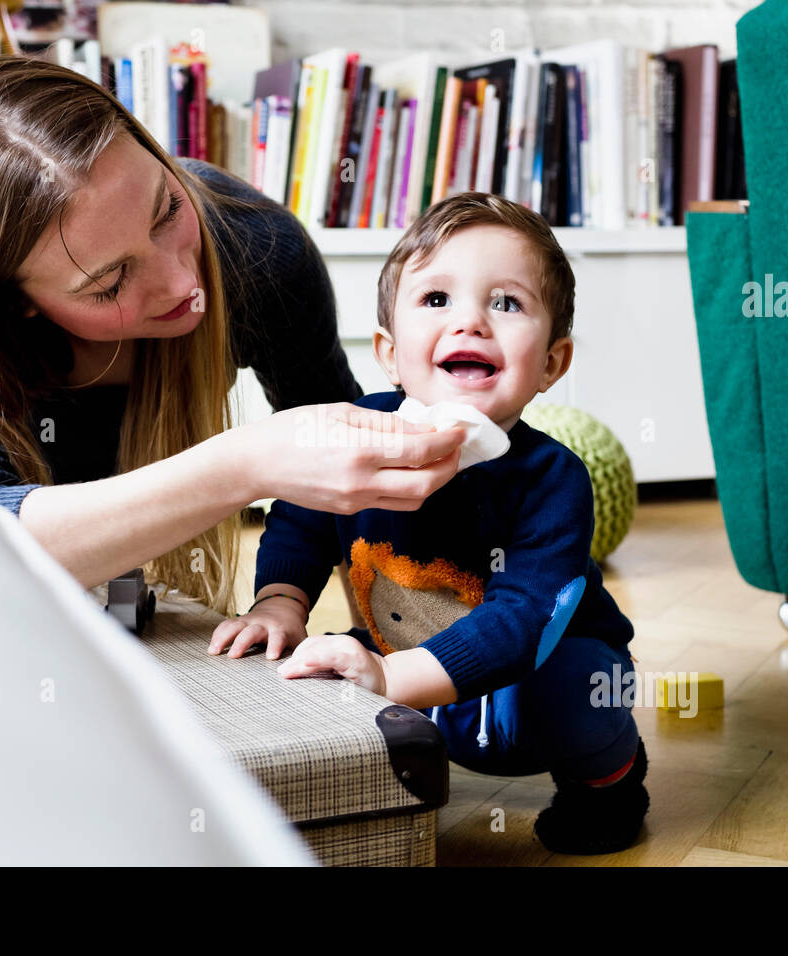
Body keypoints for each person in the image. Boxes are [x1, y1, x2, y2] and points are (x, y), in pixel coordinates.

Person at [0, 56, 465, 613]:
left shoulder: (259, 248)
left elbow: (354, 495)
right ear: (13, 304)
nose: (182, 284)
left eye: (167, 209)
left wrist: (398, 677)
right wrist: (244, 463)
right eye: (109, 283)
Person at [209, 192, 649, 854]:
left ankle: (611, 782)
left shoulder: (553, 480)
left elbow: (523, 619)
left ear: (552, 364)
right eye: (437, 300)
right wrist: (280, 602)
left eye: (505, 303)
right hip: (406, 665)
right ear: (388, 350)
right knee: (307, 669)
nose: (470, 322)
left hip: (526, 686)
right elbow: (300, 512)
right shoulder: (359, 430)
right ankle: (386, 781)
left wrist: (390, 681)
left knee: (576, 687)